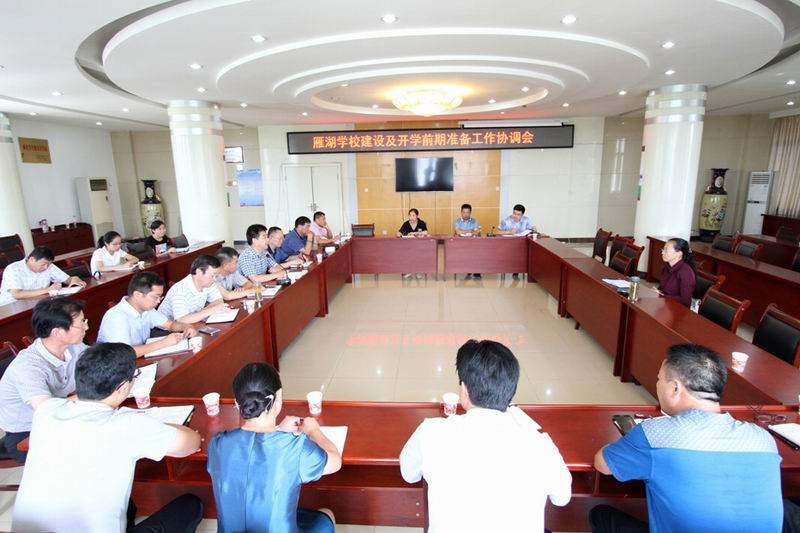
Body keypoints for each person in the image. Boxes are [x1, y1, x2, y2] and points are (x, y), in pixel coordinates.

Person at [12, 342, 203, 533]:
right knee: (190, 505)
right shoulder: (126, 425)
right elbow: (191, 444)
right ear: (123, 387)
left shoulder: (46, 410)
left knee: (128, 506)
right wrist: (159, 425)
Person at [591, 344, 783, 533]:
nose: (657, 384)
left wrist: (628, 443)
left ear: (675, 388)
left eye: (659, 379)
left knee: (600, 515)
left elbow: (603, 464)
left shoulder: (655, 435)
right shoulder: (763, 439)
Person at [400, 340, 572, 533]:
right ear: (510, 391)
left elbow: (409, 475)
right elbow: (562, 498)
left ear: (464, 390)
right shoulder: (540, 445)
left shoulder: (431, 432)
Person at [208, 362, 341, 533]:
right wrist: (313, 430)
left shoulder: (218, 443)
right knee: (326, 514)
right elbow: (335, 461)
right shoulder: (294, 447)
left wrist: (278, 431)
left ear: (237, 402)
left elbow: (252, 451)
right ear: (279, 397)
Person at [0, 297, 89, 463]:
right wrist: (96, 393)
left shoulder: (72, 346)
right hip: (26, 433)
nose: (86, 327)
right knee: (84, 453)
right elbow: (47, 409)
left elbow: (99, 360)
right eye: (81, 323)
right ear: (58, 332)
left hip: (60, 417)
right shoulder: (27, 366)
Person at [97, 272, 197, 358]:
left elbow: (170, 325)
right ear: (138, 295)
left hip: (139, 357)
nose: (158, 301)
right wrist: (164, 343)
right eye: (156, 297)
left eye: (160, 297)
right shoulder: (116, 317)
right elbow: (124, 353)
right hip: (114, 367)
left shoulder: (147, 309)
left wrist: (186, 327)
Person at [0, 246, 86, 305]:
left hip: (36, 303)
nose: (46, 267)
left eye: (48, 264)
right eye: (43, 264)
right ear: (32, 259)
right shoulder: (13, 269)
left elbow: (67, 279)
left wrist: (74, 279)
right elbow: (17, 294)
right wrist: (47, 290)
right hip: (10, 307)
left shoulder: (48, 266)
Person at [158, 255, 227, 324]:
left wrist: (202, 313)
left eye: (216, 276)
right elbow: (182, 320)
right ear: (198, 271)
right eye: (212, 275)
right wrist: (211, 310)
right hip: (166, 328)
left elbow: (219, 301)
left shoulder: (209, 283)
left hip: (191, 323)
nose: (215, 279)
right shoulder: (179, 290)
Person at [496, 204, 534, 280]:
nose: (515, 216)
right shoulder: (506, 220)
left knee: (527, 253)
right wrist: (509, 232)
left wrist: (533, 230)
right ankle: (512, 270)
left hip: (522, 245)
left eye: (518, 214)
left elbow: (530, 231)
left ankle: (517, 271)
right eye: (514, 213)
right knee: (514, 253)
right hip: (508, 244)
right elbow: (497, 232)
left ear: (522, 215)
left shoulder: (526, 220)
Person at [657, 237, 697, 307]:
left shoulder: (686, 272)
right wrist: (658, 291)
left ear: (679, 253)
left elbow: (686, 300)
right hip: (665, 305)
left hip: (678, 309)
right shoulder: (666, 267)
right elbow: (662, 289)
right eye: (663, 249)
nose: (662, 252)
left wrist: (662, 296)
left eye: (666, 250)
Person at [453, 204, 481, 279]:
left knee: (476, 252)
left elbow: (477, 232)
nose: (465, 214)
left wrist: (463, 231)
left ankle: (476, 271)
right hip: (461, 243)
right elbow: (457, 232)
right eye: (464, 212)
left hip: (473, 242)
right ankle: (467, 269)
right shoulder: (458, 221)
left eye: (467, 212)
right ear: (461, 212)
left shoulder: (474, 221)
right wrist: (470, 230)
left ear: (470, 212)